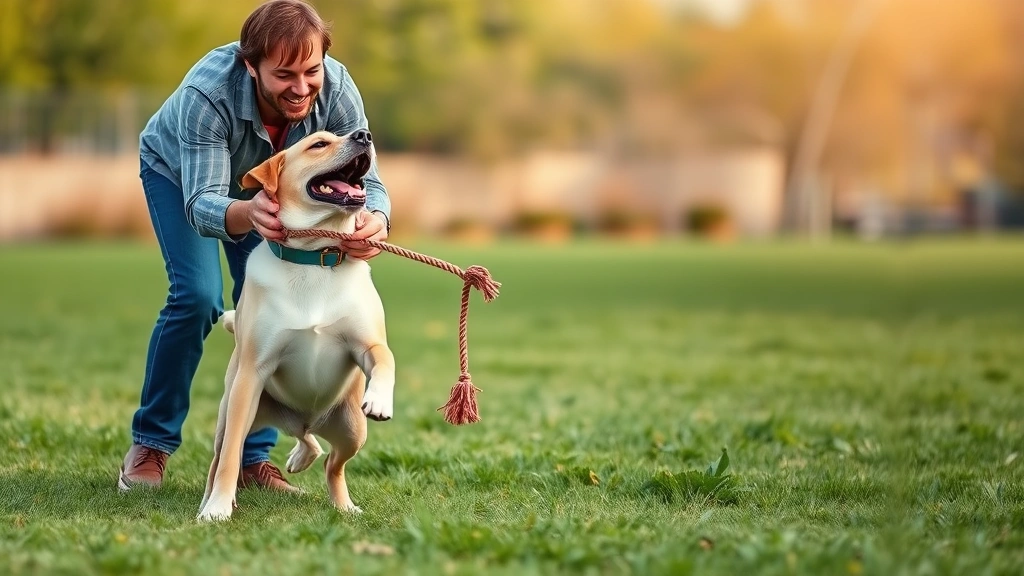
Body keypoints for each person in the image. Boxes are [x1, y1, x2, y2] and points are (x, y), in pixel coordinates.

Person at [118, 0, 391, 492]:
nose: (302, 87)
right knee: (199, 297)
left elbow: (370, 182)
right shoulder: (210, 91)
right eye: (285, 74)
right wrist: (248, 213)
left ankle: (251, 459)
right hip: (181, 177)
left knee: (267, 311)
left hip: (281, 192)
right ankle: (151, 444)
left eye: (311, 71)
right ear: (251, 65)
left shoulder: (338, 85)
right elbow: (202, 201)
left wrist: (377, 220)